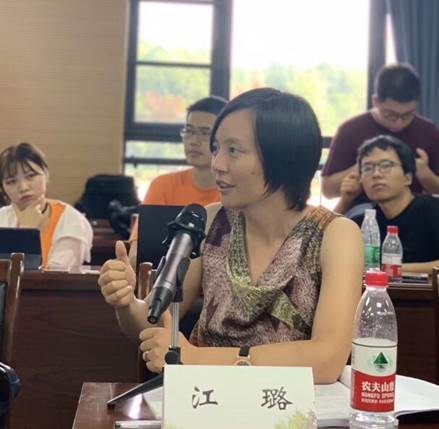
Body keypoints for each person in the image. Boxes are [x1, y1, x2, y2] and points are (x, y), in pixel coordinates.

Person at [98, 88, 363, 384]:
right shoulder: (210, 221)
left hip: (286, 403)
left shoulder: (335, 235)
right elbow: (155, 327)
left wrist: (198, 358)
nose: (217, 164)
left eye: (233, 150)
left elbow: (327, 359)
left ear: (282, 157)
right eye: (216, 149)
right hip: (203, 397)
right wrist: (126, 303)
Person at [322, 64, 439, 213]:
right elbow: (327, 190)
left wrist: (426, 176)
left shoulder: (428, 131)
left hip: (414, 213)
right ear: (376, 101)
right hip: (363, 212)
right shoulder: (350, 130)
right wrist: (364, 167)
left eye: (407, 115)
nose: (399, 122)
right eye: (391, 115)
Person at [128, 96, 227, 265]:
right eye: (189, 131)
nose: (193, 141)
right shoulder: (162, 186)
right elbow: (137, 254)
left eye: (205, 133)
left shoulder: (235, 192)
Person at [346, 135, 439, 274]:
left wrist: (389, 270)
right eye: (368, 168)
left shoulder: (432, 210)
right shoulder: (364, 222)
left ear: (408, 177)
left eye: (385, 166)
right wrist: (344, 200)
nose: (376, 174)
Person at [0, 142, 93, 269]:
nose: (23, 187)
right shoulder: (2, 217)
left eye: (31, 176)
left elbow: (54, 276)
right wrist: (27, 229)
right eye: (11, 182)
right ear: (3, 188)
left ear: (46, 174)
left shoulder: (72, 221)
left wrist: (27, 233)